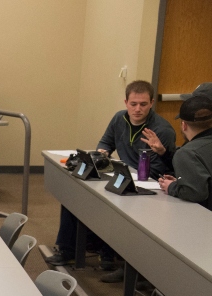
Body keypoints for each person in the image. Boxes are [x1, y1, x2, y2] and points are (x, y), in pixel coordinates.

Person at [47, 80, 176, 282]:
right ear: (126, 102)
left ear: (152, 103)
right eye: (133, 104)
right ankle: (67, 250)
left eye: (143, 104)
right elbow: (106, 142)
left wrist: (155, 155)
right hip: (121, 175)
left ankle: (110, 255)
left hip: (148, 185)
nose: (138, 109)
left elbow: (161, 168)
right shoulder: (119, 119)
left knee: (116, 204)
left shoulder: (162, 129)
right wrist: (102, 152)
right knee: (75, 194)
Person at [157, 95, 212, 210]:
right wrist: (182, 182)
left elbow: (196, 193)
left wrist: (172, 187)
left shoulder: (187, 153)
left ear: (184, 125)